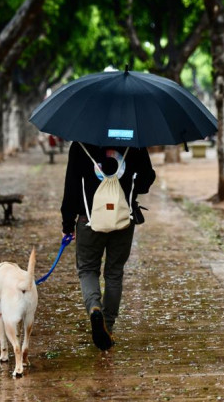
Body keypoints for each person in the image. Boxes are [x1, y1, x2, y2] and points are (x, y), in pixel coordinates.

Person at [61, 142, 156, 351]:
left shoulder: (80, 144)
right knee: (114, 273)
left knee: (87, 269)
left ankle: (95, 308)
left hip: (89, 220)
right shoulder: (135, 143)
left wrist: (67, 224)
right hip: (123, 219)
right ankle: (108, 326)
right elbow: (146, 179)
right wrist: (129, 185)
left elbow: (72, 186)